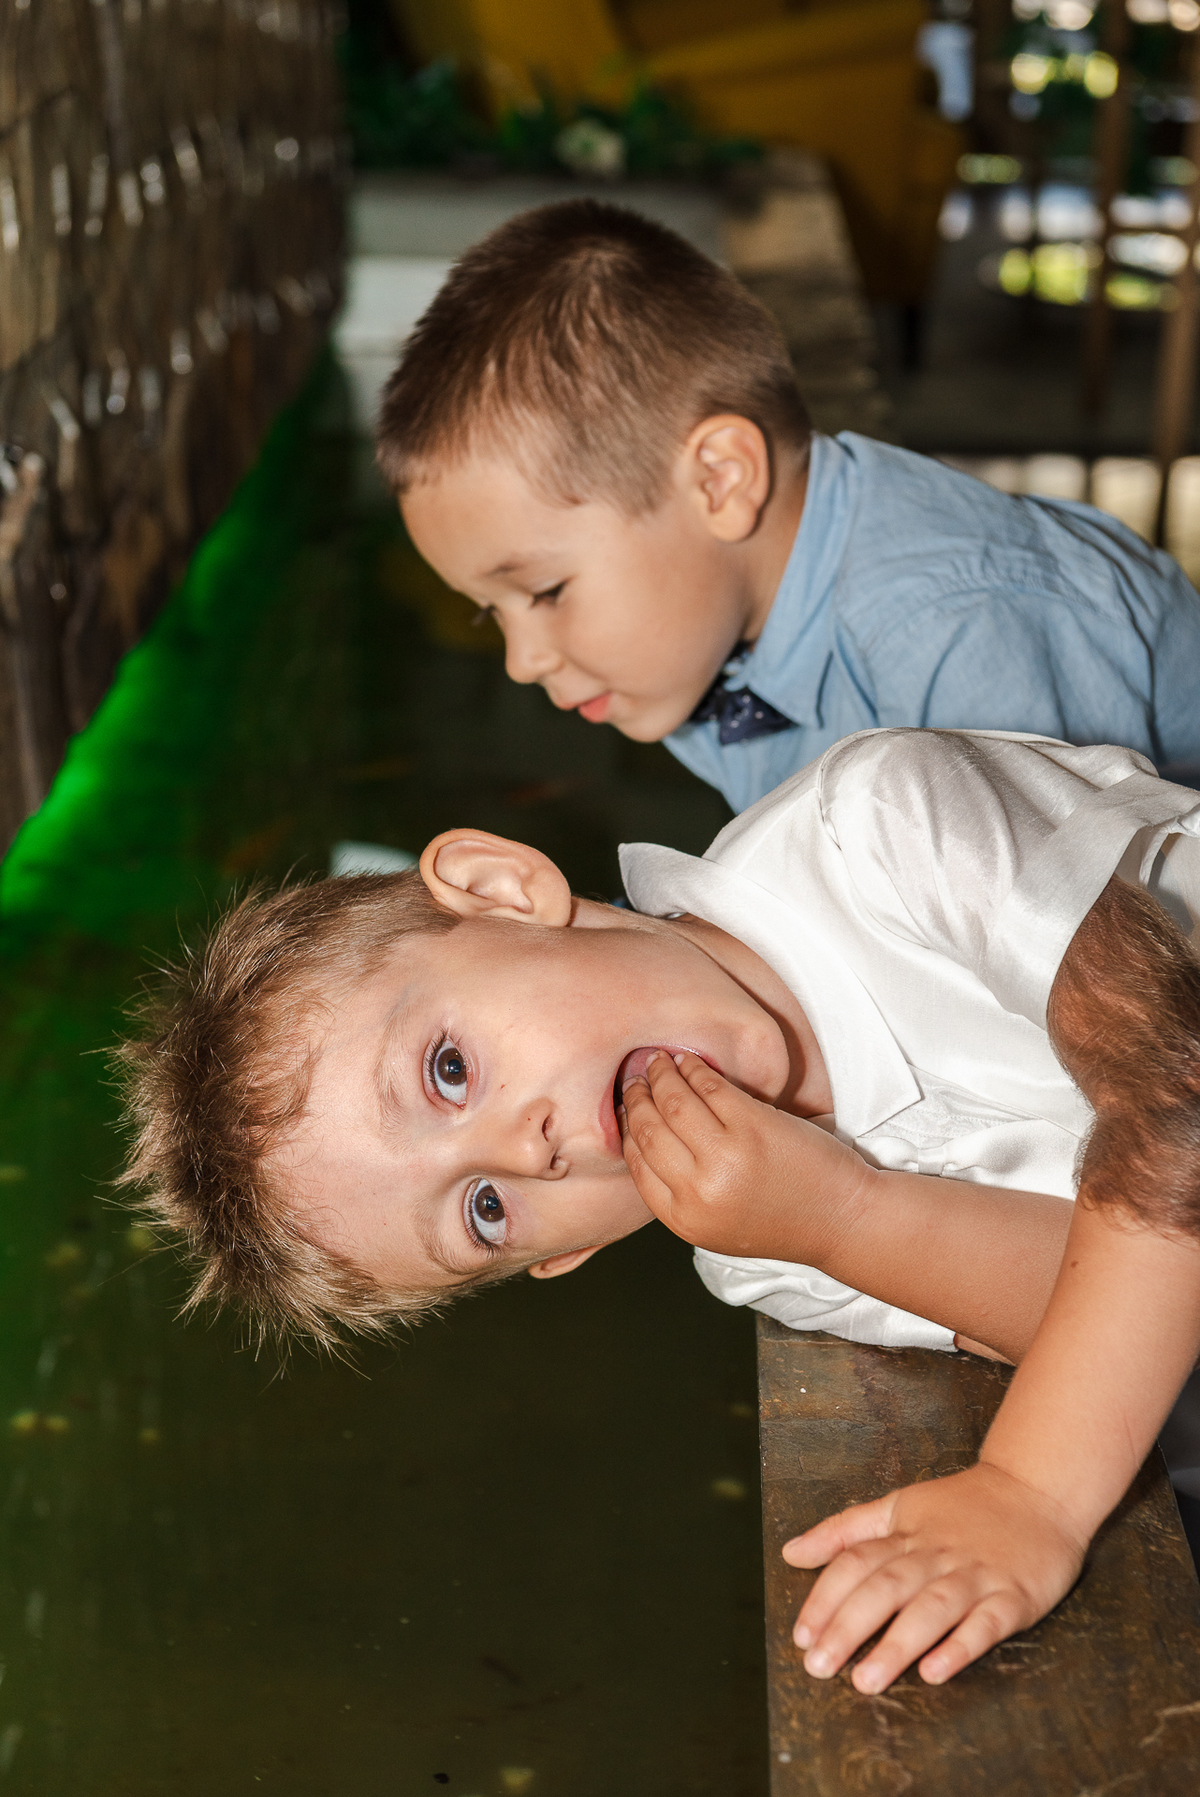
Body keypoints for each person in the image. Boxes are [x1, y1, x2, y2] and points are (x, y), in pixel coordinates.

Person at [117, 726, 1200, 1695]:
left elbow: (1178, 1098)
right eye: (485, 1211)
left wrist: (1032, 1493)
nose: (523, 1151)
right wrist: (845, 1220)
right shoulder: (761, 1254)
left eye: (449, 1070)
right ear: (563, 1256)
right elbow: (1094, 1315)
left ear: (500, 891)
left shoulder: (880, 828)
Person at [375, 199, 1200, 816]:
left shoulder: (950, 638)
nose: (522, 662)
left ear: (720, 482)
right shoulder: (704, 631)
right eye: (490, 612)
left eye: (546, 591)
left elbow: (1069, 959)